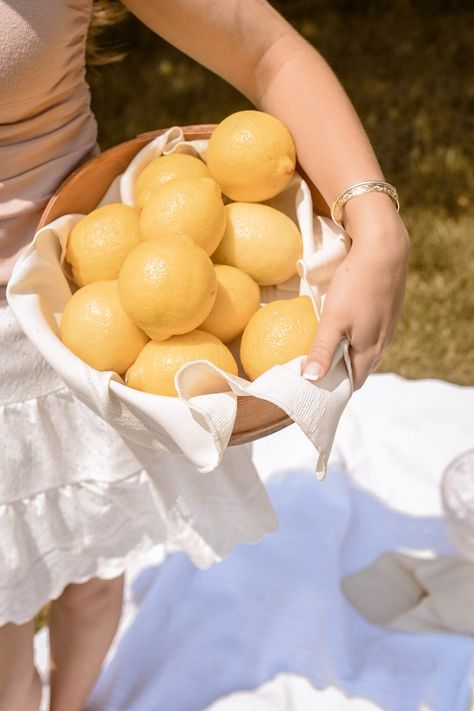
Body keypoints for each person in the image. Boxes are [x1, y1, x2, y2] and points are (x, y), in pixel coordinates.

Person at [0, 1, 409, 709]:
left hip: (101, 319)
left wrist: (373, 215)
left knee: (97, 579)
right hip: (110, 310)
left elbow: (263, 49)